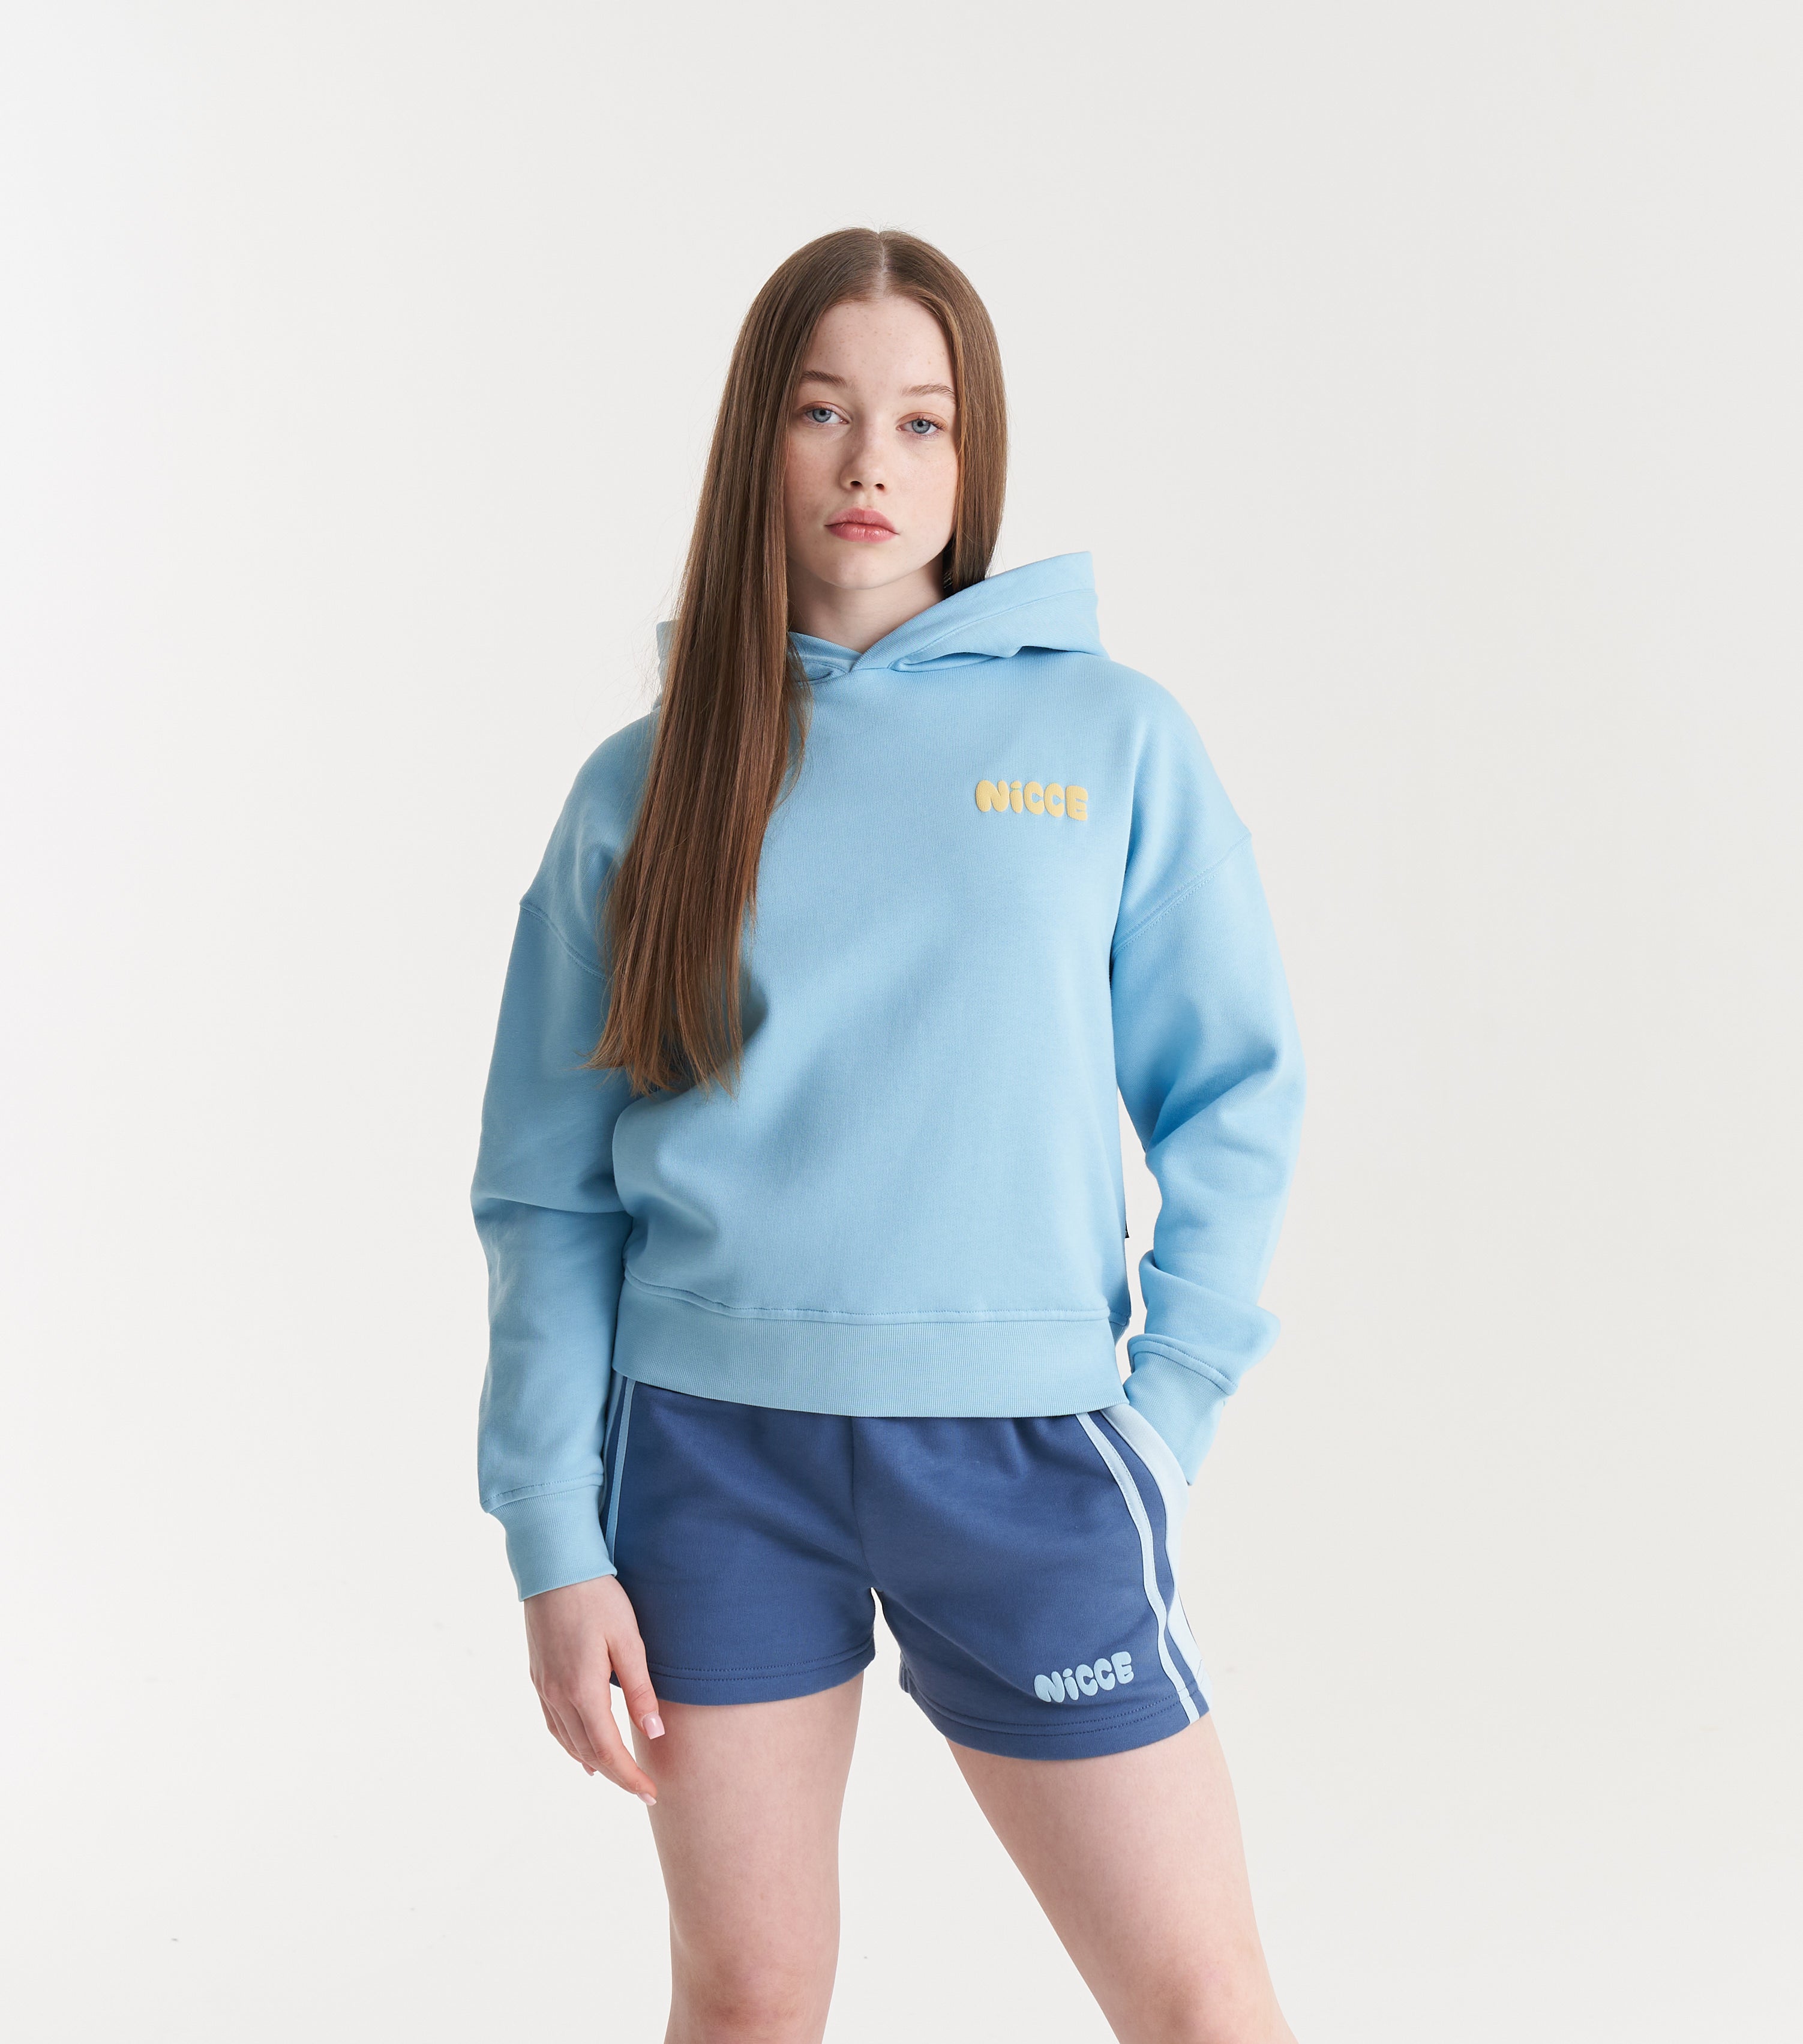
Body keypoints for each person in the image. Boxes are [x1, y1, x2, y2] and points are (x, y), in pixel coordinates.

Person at [472, 226, 1307, 2044]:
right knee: (748, 1998)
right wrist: (552, 1533)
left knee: (1199, 2003)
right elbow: (547, 1193)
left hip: (1022, 1453)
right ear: (755, 443)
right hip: (708, 1459)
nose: (871, 462)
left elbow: (1235, 1093)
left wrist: (1164, 1415)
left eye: (923, 421)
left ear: (972, 455)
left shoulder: (1108, 738)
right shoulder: (648, 780)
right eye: (823, 411)